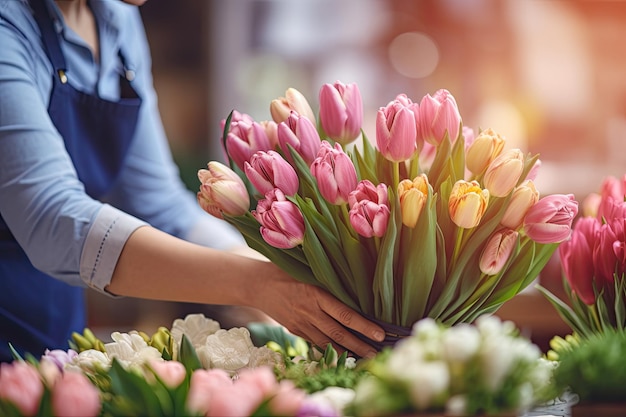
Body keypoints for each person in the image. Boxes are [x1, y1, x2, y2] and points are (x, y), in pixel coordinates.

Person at [0, 0, 384, 362]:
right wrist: (257, 285)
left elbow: (158, 205)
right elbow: (53, 219)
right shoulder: (8, 26)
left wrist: (286, 280)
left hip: (53, 329)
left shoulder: (116, 20)